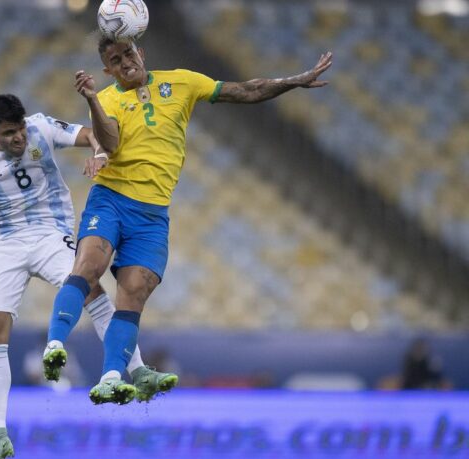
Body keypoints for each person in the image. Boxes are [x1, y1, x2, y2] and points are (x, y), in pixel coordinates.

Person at [44, 36, 333, 405]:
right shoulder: (109, 99)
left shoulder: (181, 82)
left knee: (133, 291)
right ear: (108, 70)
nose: (125, 62)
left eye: (128, 53)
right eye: (115, 60)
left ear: (141, 52)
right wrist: (91, 99)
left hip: (152, 214)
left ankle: (112, 377)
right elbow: (111, 145)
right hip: (112, 200)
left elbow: (245, 90)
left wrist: (293, 81)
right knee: (89, 265)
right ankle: (54, 344)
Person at [0, 94, 167, 459]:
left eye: (20, 129)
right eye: (9, 133)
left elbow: (92, 134)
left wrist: (99, 151)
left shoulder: (41, 127)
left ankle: (138, 370)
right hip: (3, 242)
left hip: (50, 231)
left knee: (91, 288)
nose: (19, 138)